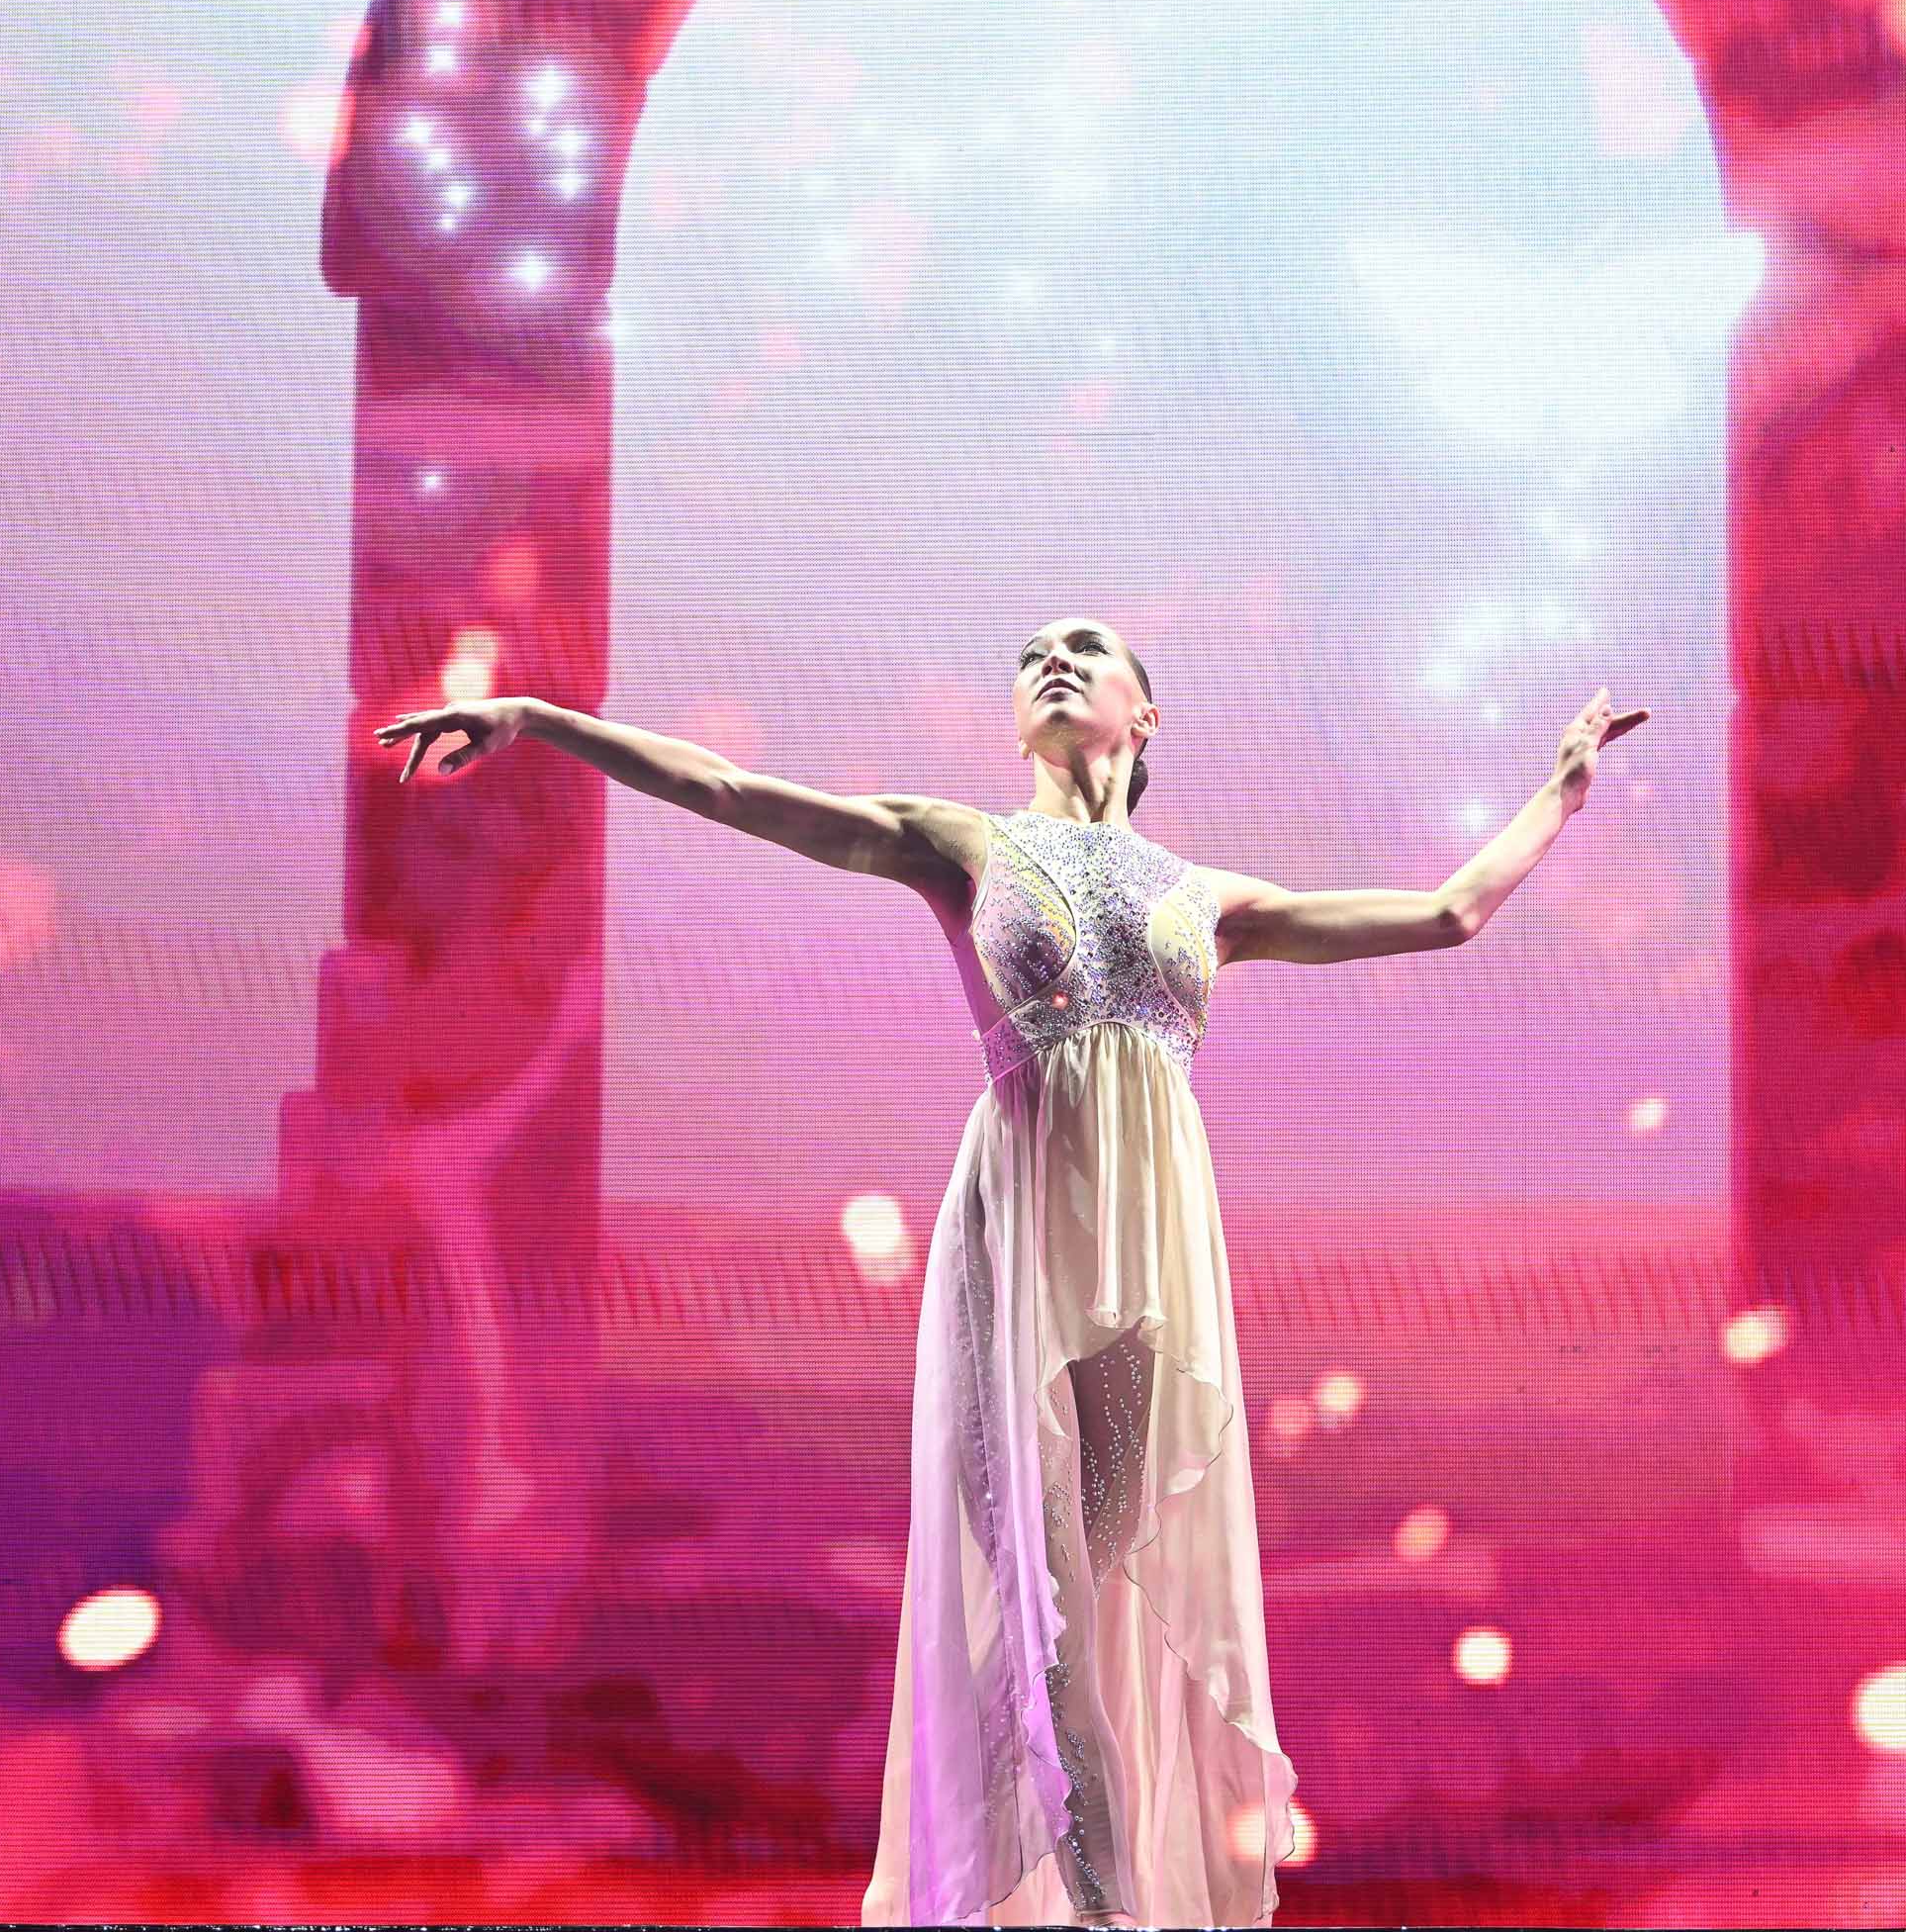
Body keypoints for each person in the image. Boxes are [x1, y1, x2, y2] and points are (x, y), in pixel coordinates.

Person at [375, 629, 1646, 1927]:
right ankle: (1099, 1909)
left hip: (1148, 1264)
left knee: (1110, 1581)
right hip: (1023, 1233)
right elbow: (731, 790)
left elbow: (1447, 914)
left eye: (1087, 650)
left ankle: (1092, 1889)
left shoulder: (1207, 895)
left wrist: (1562, 789)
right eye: (1034, 654)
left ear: (1146, 715)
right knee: (1038, 1581)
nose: (1055, 660)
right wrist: (538, 719)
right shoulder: (962, 842)